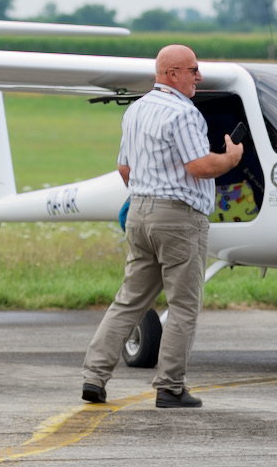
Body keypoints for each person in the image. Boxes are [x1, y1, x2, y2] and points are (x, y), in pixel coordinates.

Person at [80, 44, 242, 409]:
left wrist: (148, 193)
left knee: (129, 301)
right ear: (172, 74)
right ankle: (170, 386)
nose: (199, 77)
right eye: (193, 70)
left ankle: (94, 376)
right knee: (184, 304)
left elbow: (124, 169)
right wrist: (230, 158)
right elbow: (199, 166)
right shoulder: (185, 114)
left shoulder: (136, 110)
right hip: (179, 218)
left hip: (139, 213)